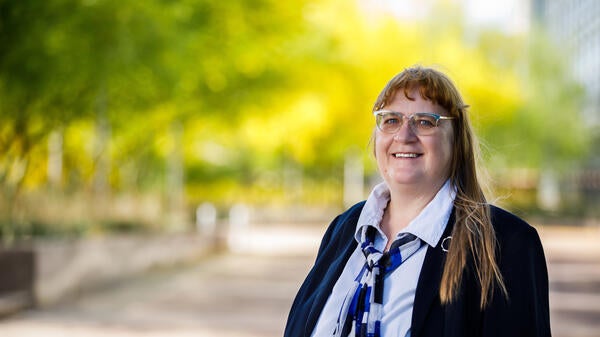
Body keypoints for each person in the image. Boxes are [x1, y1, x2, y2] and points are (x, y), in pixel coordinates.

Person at [284, 65, 551, 337]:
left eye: (425, 121)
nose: (404, 136)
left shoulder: (506, 243)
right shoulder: (346, 228)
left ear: (457, 140)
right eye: (391, 120)